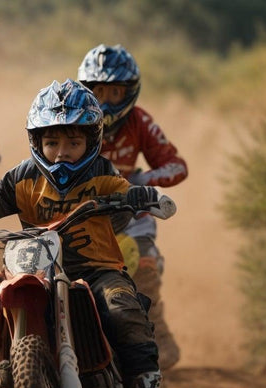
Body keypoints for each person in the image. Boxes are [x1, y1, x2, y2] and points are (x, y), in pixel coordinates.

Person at [0, 79, 174, 388]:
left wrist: (140, 196)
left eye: (73, 143)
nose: (62, 153)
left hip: (96, 270)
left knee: (123, 309)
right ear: (37, 142)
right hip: (31, 268)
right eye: (52, 143)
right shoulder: (22, 177)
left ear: (91, 142)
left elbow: (126, 196)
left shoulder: (103, 176)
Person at [78, 44, 188, 370]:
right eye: (98, 90)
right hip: (78, 210)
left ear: (130, 91)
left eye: (115, 91)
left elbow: (176, 165)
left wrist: (142, 178)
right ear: (86, 89)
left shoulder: (139, 121)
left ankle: (160, 338)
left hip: (130, 209)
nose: (107, 99)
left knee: (145, 266)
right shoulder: (71, 119)